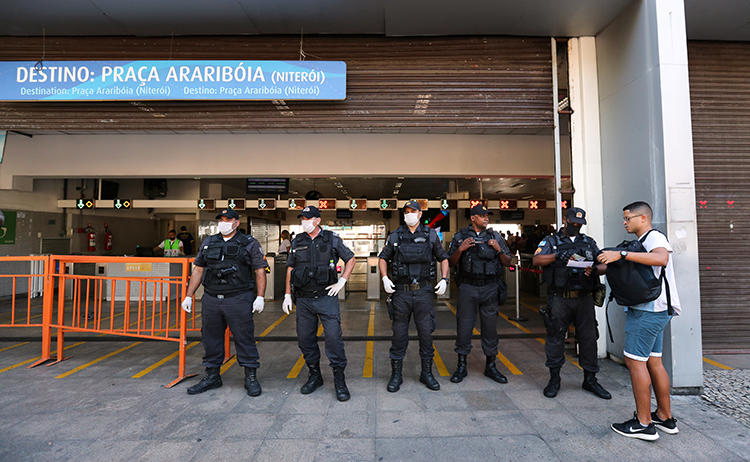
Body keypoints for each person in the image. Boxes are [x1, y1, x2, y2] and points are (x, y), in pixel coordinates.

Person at [598, 201, 681, 441]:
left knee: (635, 363)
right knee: (654, 362)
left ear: (643, 218)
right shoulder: (641, 243)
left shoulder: (655, 238)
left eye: (628, 218)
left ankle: (644, 423)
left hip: (649, 311)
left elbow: (661, 259)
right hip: (656, 310)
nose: (624, 222)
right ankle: (664, 417)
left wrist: (622, 254)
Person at [181, 209, 268, 397]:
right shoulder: (209, 242)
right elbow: (198, 270)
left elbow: (260, 270)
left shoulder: (249, 243)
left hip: (238, 298)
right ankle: (212, 376)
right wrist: (189, 295)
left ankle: (250, 377)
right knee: (210, 338)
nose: (223, 223)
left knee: (244, 337)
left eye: (227, 219)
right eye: (220, 220)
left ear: (236, 223)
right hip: (211, 298)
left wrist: (260, 296)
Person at [532, 207, 611, 400]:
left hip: (584, 298)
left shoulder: (588, 242)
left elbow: (604, 264)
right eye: (574, 223)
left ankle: (590, 379)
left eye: (580, 224)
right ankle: (554, 379)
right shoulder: (552, 241)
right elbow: (537, 259)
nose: (577, 227)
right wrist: (557, 256)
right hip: (560, 298)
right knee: (555, 337)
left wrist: (594, 269)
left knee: (589, 338)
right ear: (566, 221)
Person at [282, 206, 356, 402]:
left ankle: (339, 380)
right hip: (304, 299)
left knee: (333, 338)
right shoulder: (298, 240)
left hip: (326, 297)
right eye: (302, 219)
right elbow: (290, 268)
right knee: (305, 340)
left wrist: (342, 281)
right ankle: (315, 375)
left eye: (307, 218)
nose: (303, 222)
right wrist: (287, 294)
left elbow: (351, 259)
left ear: (317, 220)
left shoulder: (332, 239)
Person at [379, 200, 450, 392]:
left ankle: (427, 373)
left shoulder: (430, 234)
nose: (409, 214)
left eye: (413, 211)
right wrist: (385, 278)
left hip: (424, 292)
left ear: (420, 214)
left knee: (426, 333)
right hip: (401, 292)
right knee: (399, 335)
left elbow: (443, 258)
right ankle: (396, 375)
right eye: (406, 212)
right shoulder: (395, 235)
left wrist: (444, 279)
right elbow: (383, 258)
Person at [447, 204, 513, 384]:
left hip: (490, 287)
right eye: (482, 216)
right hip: (468, 287)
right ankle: (461, 366)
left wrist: (498, 249)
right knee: (464, 327)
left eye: (487, 216)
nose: (486, 218)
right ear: (473, 218)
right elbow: (450, 262)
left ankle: (491, 366)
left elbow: (508, 261)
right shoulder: (460, 236)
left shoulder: (495, 236)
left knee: (490, 328)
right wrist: (461, 249)